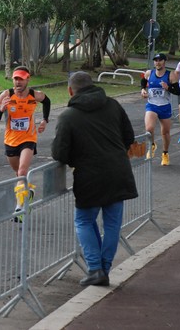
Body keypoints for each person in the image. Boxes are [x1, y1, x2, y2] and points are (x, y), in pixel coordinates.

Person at [52, 71, 138, 287]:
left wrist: (77, 158)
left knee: (83, 220)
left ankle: (95, 268)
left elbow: (59, 153)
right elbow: (129, 137)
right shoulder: (113, 105)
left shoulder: (68, 116)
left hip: (89, 176)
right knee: (112, 224)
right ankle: (104, 269)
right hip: (119, 172)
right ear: (93, 85)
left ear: (71, 90)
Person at [0, 66, 51, 216]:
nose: (18, 83)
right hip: (10, 140)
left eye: (21, 79)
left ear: (27, 80)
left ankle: (20, 207)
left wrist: (44, 120)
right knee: (18, 173)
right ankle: (27, 192)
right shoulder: (6, 95)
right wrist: (1, 109)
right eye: (15, 79)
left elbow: (47, 101)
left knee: (23, 170)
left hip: (28, 139)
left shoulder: (35, 95)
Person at [140, 53, 180, 165]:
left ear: (164, 62)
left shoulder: (170, 75)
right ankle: (152, 145)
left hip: (165, 106)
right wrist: (143, 90)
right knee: (149, 128)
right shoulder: (149, 73)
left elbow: (178, 92)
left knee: (165, 132)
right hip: (152, 105)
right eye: (156, 60)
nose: (157, 62)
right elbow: (143, 82)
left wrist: (168, 88)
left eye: (160, 60)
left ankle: (165, 154)